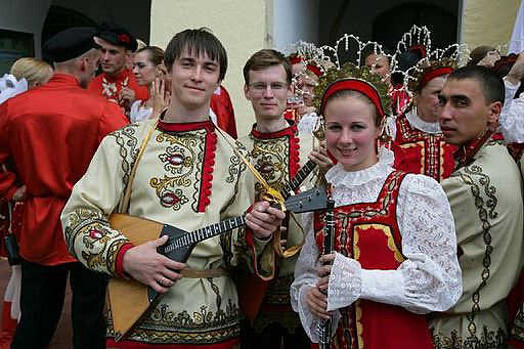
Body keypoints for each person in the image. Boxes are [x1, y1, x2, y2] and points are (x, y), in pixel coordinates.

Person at [61, 28, 285, 348]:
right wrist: (125, 256)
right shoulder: (124, 144)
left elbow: (237, 253)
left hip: (215, 324)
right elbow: (78, 216)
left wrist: (259, 233)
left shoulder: (238, 156)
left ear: (219, 80)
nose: (197, 76)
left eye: (208, 68)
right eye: (187, 64)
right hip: (137, 318)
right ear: (167, 70)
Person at [290, 70, 462, 348]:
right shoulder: (325, 196)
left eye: (357, 127)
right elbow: (307, 273)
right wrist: (309, 294)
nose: (345, 139)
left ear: (379, 126)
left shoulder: (412, 190)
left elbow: (441, 286)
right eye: (335, 127)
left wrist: (360, 280)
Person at [0, 27, 128, 348]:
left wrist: (11, 187)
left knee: (35, 319)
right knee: (89, 319)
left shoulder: (14, 108)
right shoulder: (101, 109)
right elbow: (128, 163)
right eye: (96, 64)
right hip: (90, 223)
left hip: (38, 221)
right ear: (85, 63)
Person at [239, 49, 330, 348]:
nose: (268, 94)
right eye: (259, 86)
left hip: (305, 286)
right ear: (246, 91)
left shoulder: (315, 147)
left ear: (290, 90)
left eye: (276, 85)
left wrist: (332, 176)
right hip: (250, 287)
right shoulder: (234, 151)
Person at [430, 66, 524, 348]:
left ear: (494, 112)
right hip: (483, 322)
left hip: (458, 331)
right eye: (442, 101)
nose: (445, 114)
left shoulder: (470, 182)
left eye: (461, 103)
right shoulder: (498, 156)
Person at [0, 57, 53, 347]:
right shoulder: (13, 110)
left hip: (24, 204)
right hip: (21, 206)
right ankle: (11, 336)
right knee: (21, 276)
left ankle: (11, 334)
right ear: (34, 85)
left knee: (20, 276)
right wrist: (11, 189)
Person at [389, 60, 457, 181]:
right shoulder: (394, 129)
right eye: (438, 93)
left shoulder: (462, 130)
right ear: (416, 96)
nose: (445, 100)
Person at [89, 23, 149, 116]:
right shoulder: (90, 85)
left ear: (128, 55)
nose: (105, 58)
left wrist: (134, 107)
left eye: (113, 52)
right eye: (103, 51)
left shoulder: (142, 85)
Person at [130, 46, 168, 123]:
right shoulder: (136, 106)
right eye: (134, 66)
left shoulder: (172, 105)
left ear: (159, 69)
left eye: (141, 66)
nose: (134, 71)